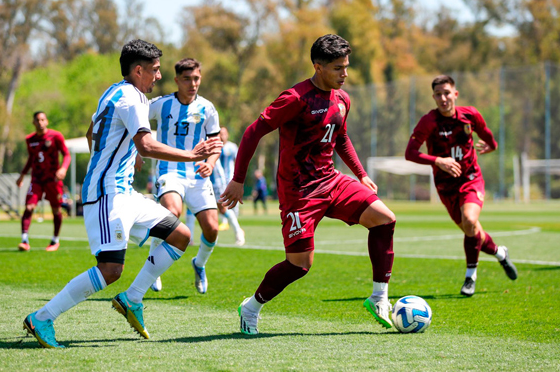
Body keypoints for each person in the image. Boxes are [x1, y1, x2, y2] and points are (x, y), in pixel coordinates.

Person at [22, 40, 222, 348]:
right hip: (107, 196)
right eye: (154, 71)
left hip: (124, 192)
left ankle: (132, 299)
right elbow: (148, 145)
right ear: (138, 70)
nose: (158, 77)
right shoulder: (134, 98)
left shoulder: (113, 91)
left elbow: (93, 133)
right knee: (111, 269)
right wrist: (192, 156)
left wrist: (122, 155)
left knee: (180, 235)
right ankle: (43, 318)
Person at [220, 34, 397, 335]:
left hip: (332, 180)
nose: (345, 74)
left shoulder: (342, 99)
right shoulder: (294, 99)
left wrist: (360, 173)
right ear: (318, 66)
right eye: (338, 68)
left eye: (346, 66)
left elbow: (339, 136)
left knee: (385, 220)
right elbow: (252, 132)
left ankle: (379, 297)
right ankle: (251, 307)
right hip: (299, 192)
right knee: (300, 265)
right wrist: (238, 180)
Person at [405, 74, 518, 296]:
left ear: (455, 94)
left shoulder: (470, 115)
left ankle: (470, 276)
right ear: (434, 97)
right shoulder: (429, 122)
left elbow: (488, 136)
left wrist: (491, 146)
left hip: (470, 178)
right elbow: (410, 153)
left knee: (469, 220)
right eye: (438, 94)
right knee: (473, 231)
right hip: (445, 187)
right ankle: (500, 253)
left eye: (447, 93)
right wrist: (438, 160)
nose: (443, 98)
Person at [146, 58, 222, 295]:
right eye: (187, 79)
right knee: (172, 214)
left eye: (196, 78)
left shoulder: (207, 108)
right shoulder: (160, 104)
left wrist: (210, 163)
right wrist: (137, 152)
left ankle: (199, 264)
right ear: (177, 80)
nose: (193, 83)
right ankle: (153, 267)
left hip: (198, 175)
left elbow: (215, 144)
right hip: (169, 170)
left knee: (212, 228)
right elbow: (133, 122)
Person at [16, 111, 71, 252]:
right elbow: (31, 159)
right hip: (37, 180)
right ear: (33, 123)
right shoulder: (30, 140)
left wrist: (63, 169)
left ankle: (55, 240)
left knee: (56, 210)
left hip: (53, 180)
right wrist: (22, 175)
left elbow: (66, 154)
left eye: (42, 119)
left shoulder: (56, 136)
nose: (40, 122)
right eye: (37, 120)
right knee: (29, 207)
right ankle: (24, 240)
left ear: (46, 121)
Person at [218, 126, 239, 227]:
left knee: (234, 197)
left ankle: (234, 219)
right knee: (221, 199)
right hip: (219, 178)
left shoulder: (232, 147)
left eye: (224, 134)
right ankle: (224, 222)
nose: (222, 136)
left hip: (230, 177)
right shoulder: (216, 146)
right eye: (220, 134)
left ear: (227, 135)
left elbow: (237, 161)